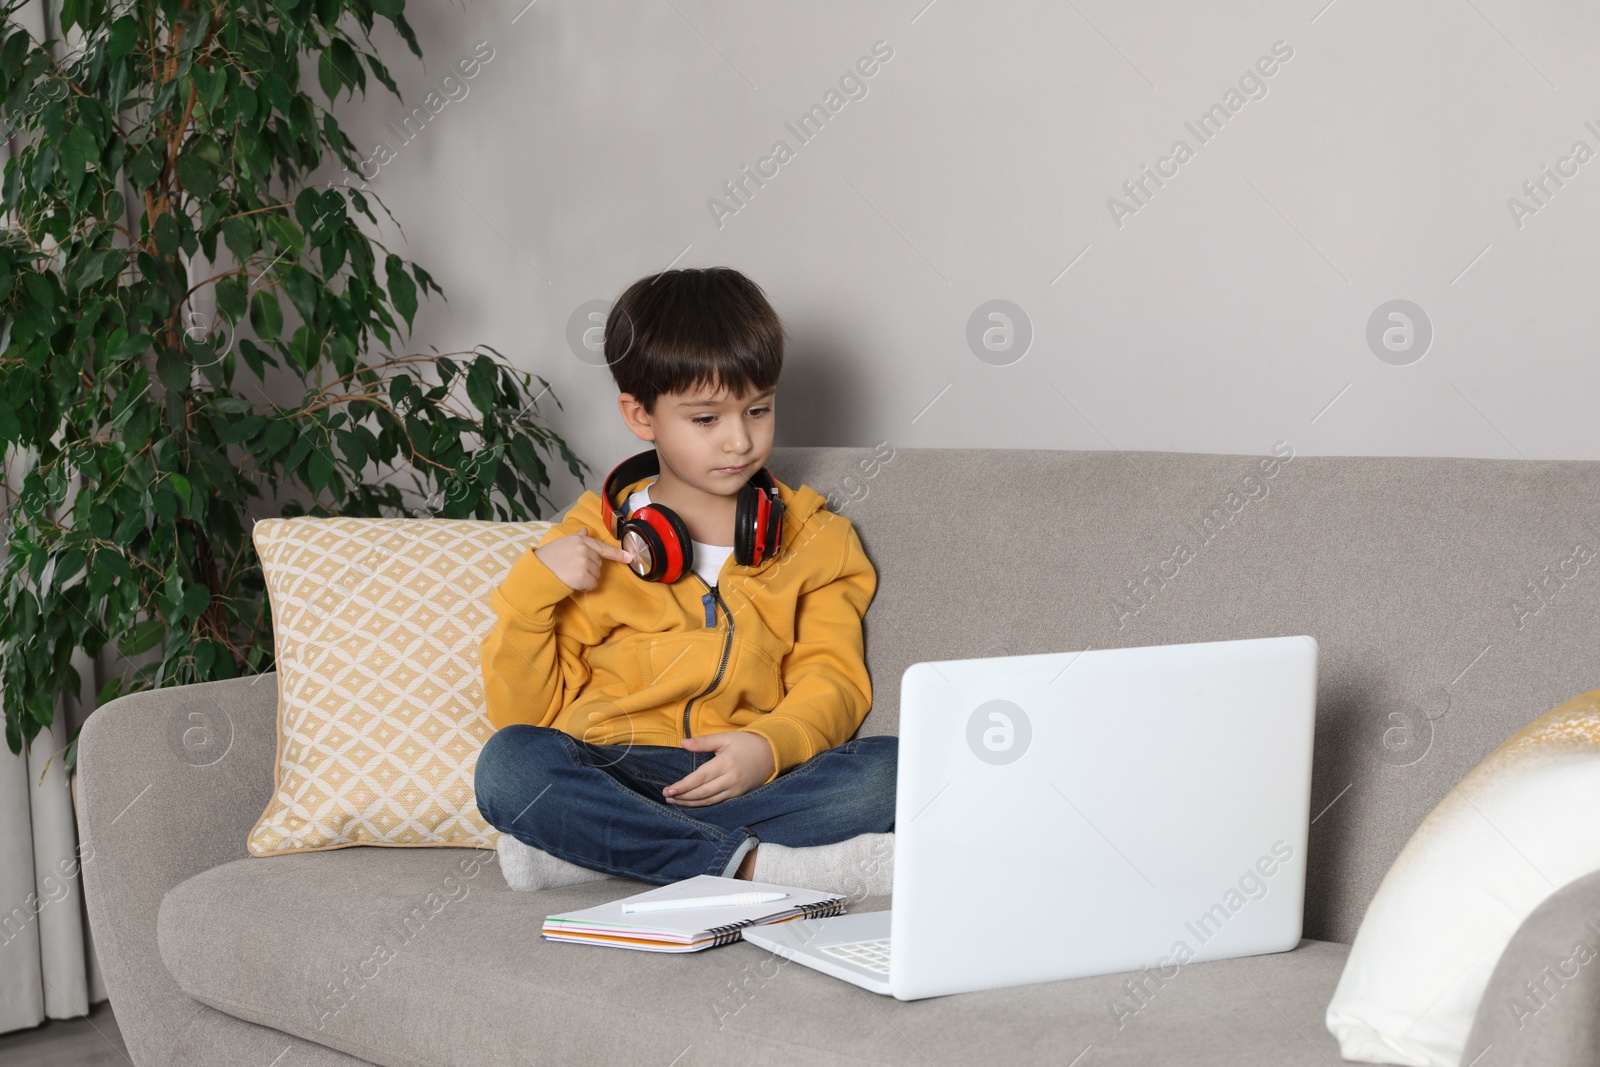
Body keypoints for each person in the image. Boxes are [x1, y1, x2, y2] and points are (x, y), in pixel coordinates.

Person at [474, 267, 895, 895]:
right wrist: (534, 591)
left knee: (897, 768)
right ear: (641, 415)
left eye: (758, 409)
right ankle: (749, 865)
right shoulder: (587, 539)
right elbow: (524, 714)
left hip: (748, 770)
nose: (740, 440)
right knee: (509, 765)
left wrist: (768, 747)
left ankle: (599, 850)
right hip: (619, 769)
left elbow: (831, 679)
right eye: (705, 419)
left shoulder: (818, 542)